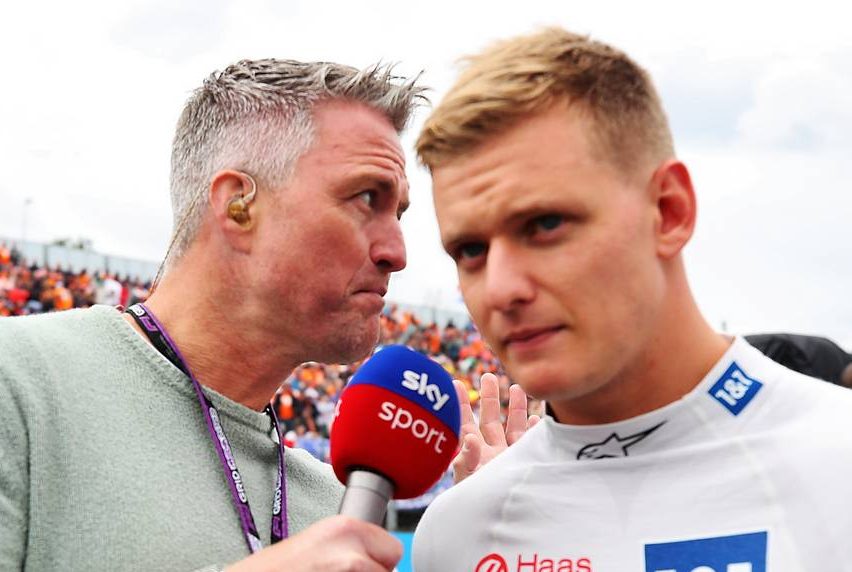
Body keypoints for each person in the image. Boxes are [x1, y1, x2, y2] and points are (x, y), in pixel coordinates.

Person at [412, 28, 852, 571]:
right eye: (470, 249)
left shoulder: (839, 466)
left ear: (669, 211)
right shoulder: (458, 533)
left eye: (545, 225)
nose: (500, 288)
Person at [0, 58, 422, 571]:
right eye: (365, 198)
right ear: (239, 205)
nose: (396, 252)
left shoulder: (331, 506)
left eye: (397, 212)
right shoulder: (18, 383)